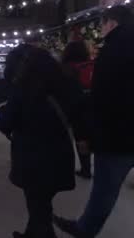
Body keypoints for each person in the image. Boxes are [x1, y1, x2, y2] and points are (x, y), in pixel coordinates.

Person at [54, 5, 134, 238]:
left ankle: (85, 229)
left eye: (102, 25)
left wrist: (88, 134)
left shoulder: (113, 50)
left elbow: (102, 98)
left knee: (105, 189)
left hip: (118, 132)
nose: (100, 30)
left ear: (111, 22)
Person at [0, 45, 83, 238]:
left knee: (37, 205)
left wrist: (3, 109)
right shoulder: (67, 82)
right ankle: (32, 233)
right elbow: (79, 113)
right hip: (59, 152)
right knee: (41, 203)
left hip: (32, 156)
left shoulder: (23, 89)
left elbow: (5, 123)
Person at [61, 40, 94, 179]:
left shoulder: (67, 68)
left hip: (77, 109)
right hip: (93, 105)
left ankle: (86, 169)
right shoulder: (92, 65)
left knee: (81, 139)